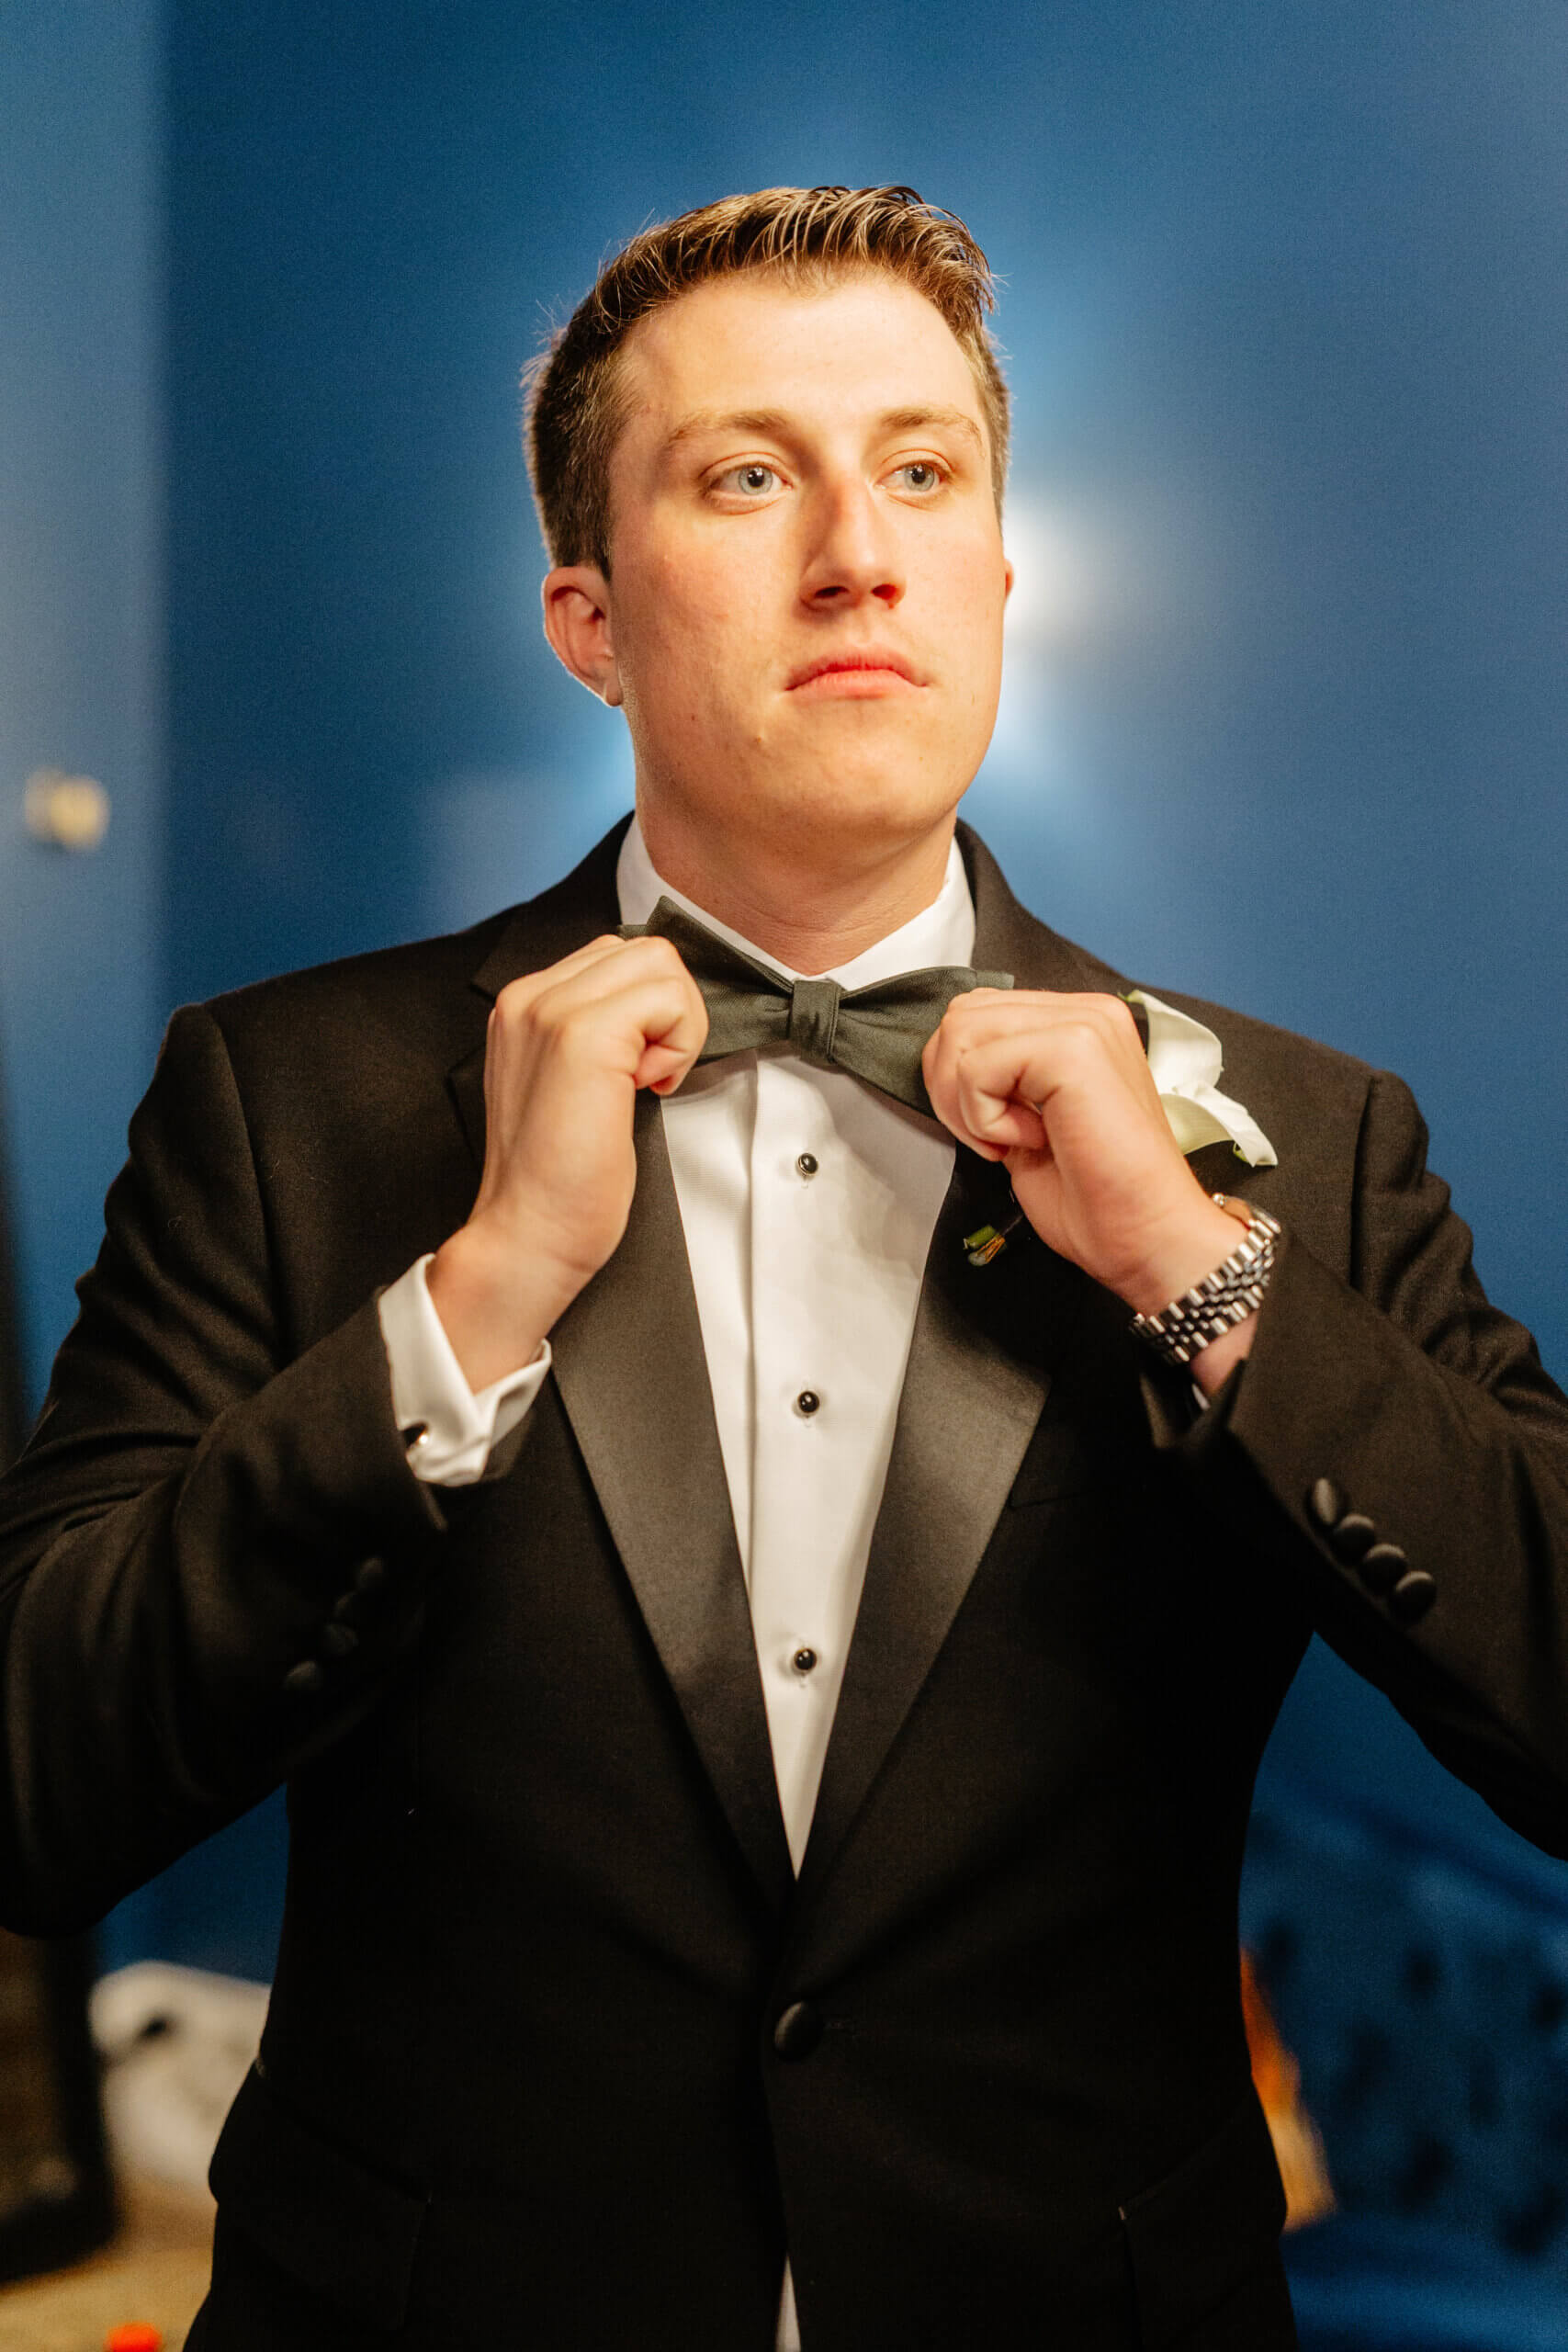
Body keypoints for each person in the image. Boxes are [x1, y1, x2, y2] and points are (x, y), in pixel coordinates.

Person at [1, 185, 1565, 2352]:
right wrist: (471, 1301)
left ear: (995, 575)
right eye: (745, 476)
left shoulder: (1304, 1134)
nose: (856, 549)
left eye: (920, 471)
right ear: (587, 618)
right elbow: (34, 1786)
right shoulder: (283, 1100)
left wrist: (1197, 1271)